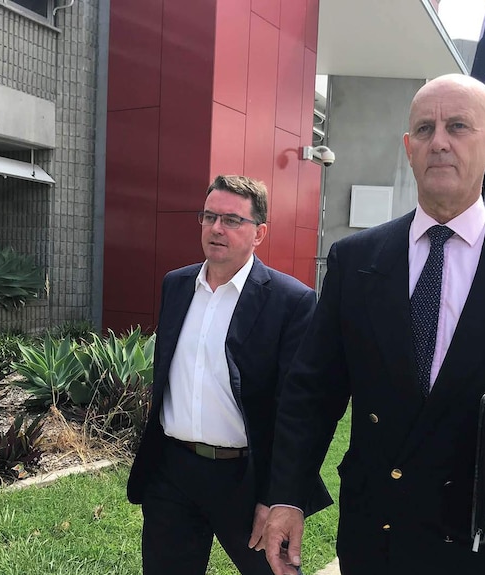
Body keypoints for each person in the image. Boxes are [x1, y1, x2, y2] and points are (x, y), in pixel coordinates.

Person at [259, 74, 485, 575]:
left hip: (483, 537)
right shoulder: (357, 260)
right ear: (409, 148)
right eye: (425, 129)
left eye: (458, 127)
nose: (440, 142)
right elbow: (311, 391)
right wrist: (287, 496)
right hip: (376, 532)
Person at [127, 174, 331, 575]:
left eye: (233, 220)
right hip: (173, 471)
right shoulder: (177, 284)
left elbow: (298, 410)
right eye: (209, 216)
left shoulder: (291, 301)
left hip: (247, 477)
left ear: (260, 233)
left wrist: (276, 497)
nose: (217, 228)